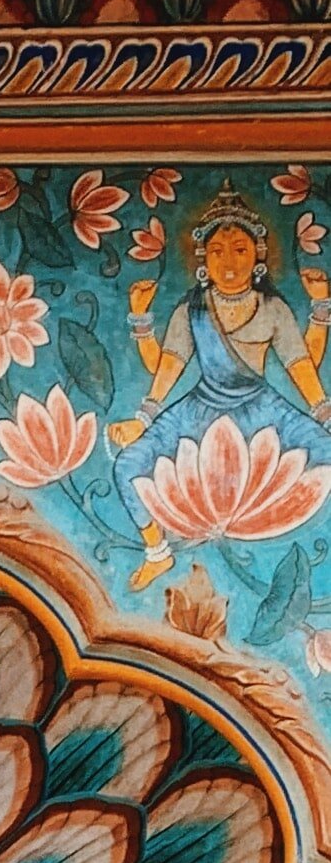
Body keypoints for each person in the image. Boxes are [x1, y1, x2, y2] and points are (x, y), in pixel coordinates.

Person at [107, 179, 331, 590]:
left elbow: (301, 367)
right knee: (127, 464)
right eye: (218, 251)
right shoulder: (192, 309)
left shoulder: (273, 308)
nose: (229, 262)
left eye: (240, 250)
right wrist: (141, 323)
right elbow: (166, 369)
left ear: (258, 258)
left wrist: (324, 413)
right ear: (203, 261)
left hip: (263, 406)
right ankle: (157, 551)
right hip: (198, 407)